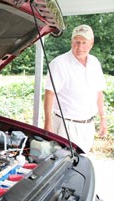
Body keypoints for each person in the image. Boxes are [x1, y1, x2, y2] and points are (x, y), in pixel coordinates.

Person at [44, 24, 108, 153]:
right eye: (76, 42)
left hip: (88, 125)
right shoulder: (59, 63)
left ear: (91, 43)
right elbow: (49, 94)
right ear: (71, 42)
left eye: (84, 42)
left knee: (81, 161)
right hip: (65, 125)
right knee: (63, 163)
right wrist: (48, 124)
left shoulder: (95, 62)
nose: (80, 47)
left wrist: (102, 119)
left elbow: (99, 92)